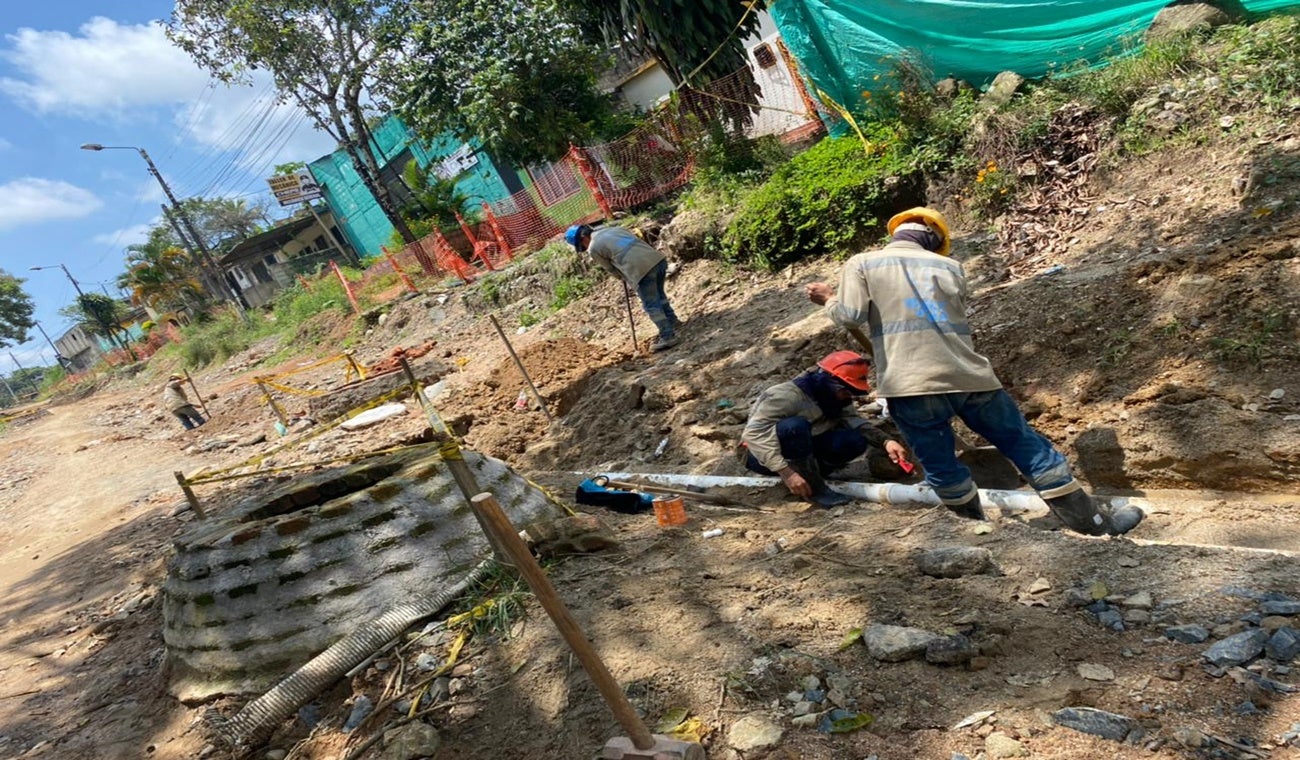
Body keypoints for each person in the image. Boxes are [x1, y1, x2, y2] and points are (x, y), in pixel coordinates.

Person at [805, 207, 1143, 536]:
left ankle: (975, 530)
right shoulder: (951, 267)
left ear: (896, 232)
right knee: (1027, 446)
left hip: (911, 386)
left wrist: (829, 299)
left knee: (940, 464)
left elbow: (848, 315)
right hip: (970, 377)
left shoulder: (863, 263)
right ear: (935, 241)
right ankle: (1094, 525)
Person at [740, 351, 910, 508]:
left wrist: (886, 441)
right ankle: (815, 489)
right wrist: (787, 473)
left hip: (804, 447)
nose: (848, 396)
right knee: (795, 426)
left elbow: (852, 420)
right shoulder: (785, 396)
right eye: (845, 391)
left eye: (851, 392)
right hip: (761, 457)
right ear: (828, 381)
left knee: (854, 440)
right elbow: (754, 434)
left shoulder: (834, 396)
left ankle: (813, 475)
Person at [566, 223, 680, 352]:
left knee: (651, 305)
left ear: (583, 239)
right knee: (659, 295)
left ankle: (668, 336)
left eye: (582, 247)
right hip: (658, 261)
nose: (584, 249)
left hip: (641, 269)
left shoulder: (593, 248)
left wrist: (623, 277)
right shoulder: (614, 229)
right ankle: (673, 322)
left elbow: (611, 269)